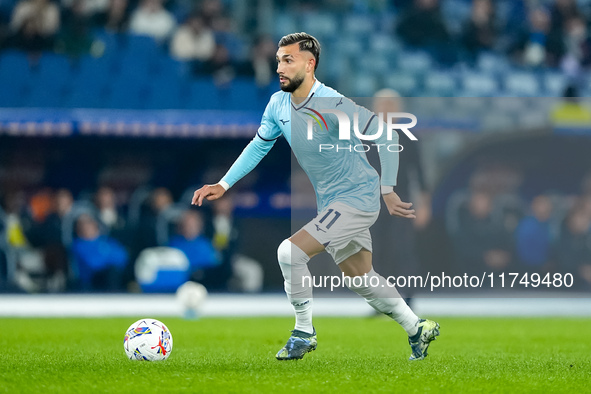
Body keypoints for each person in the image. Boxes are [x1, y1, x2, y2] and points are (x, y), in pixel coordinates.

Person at [192, 32, 439, 361]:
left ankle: (303, 332)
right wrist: (224, 184)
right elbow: (259, 145)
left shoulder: (332, 104)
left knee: (289, 252)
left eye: (288, 60)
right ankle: (417, 328)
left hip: (357, 198)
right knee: (361, 279)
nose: (280, 66)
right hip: (334, 203)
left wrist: (388, 189)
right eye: (279, 59)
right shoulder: (278, 103)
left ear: (310, 65)